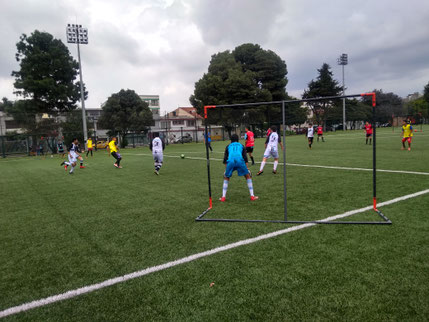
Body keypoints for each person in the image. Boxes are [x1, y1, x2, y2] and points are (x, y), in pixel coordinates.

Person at [219, 134, 258, 202]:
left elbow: (225, 159)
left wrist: (226, 169)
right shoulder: (242, 146)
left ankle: (223, 197)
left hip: (231, 161)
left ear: (231, 140)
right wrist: (247, 168)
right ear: (238, 140)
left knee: (226, 177)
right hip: (240, 161)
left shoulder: (228, 146)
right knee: (248, 176)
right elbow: (245, 158)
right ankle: (252, 196)